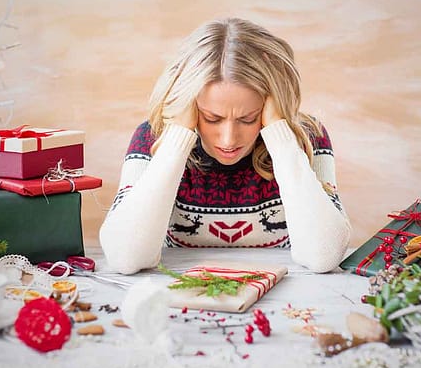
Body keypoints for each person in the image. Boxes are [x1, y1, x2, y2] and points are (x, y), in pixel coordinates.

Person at [100, 17, 351, 275]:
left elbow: (323, 255)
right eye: (212, 118)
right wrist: (177, 140)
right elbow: (124, 256)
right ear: (190, 105)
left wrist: (280, 134)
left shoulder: (307, 138)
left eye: (248, 118)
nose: (229, 139)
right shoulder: (152, 138)